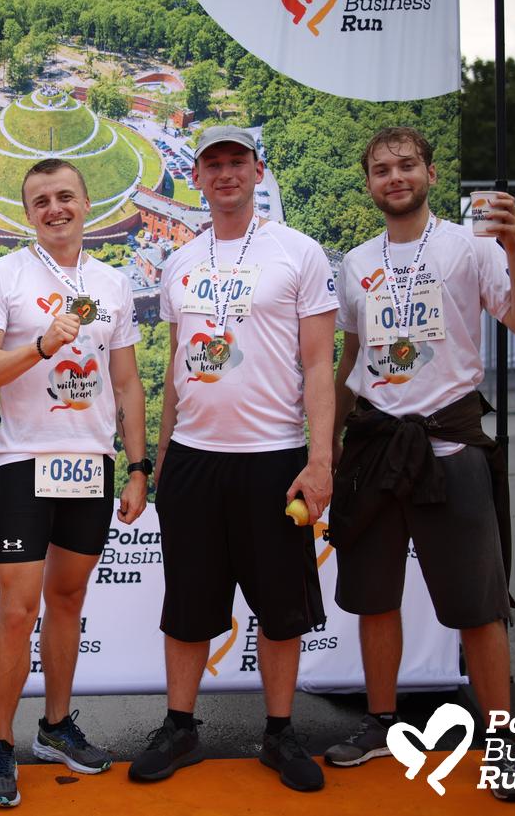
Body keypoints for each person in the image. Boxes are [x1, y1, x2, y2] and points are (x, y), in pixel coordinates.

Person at [326, 127, 515, 802]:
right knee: (374, 598)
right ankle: (380, 721)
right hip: (373, 446)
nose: (394, 177)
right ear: (369, 183)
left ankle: (502, 742)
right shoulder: (355, 262)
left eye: (406, 165)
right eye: (381, 169)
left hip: (449, 443)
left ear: (430, 172)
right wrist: (327, 444)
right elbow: (352, 356)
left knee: (479, 608)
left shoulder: (471, 246)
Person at [129, 126, 338, 793]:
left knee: (280, 608)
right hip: (194, 459)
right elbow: (175, 366)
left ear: (257, 170)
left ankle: (279, 731)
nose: (225, 173)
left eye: (236, 162)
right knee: (188, 604)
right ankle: (180, 726)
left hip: (274, 457)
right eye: (213, 164)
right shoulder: (180, 262)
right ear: (196, 176)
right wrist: (162, 453)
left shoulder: (298, 252)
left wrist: (321, 459)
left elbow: (319, 365)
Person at [0, 158, 149, 807]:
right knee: (18, 610)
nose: (55, 208)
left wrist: (138, 467)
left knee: (67, 600)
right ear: (28, 214)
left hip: (91, 465)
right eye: (40, 201)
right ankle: (0, 743)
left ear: (87, 202)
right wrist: (40, 347)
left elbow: (127, 382)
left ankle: (56, 725)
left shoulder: (113, 283)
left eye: (65, 196)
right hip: (24, 464)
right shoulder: (2, 275)